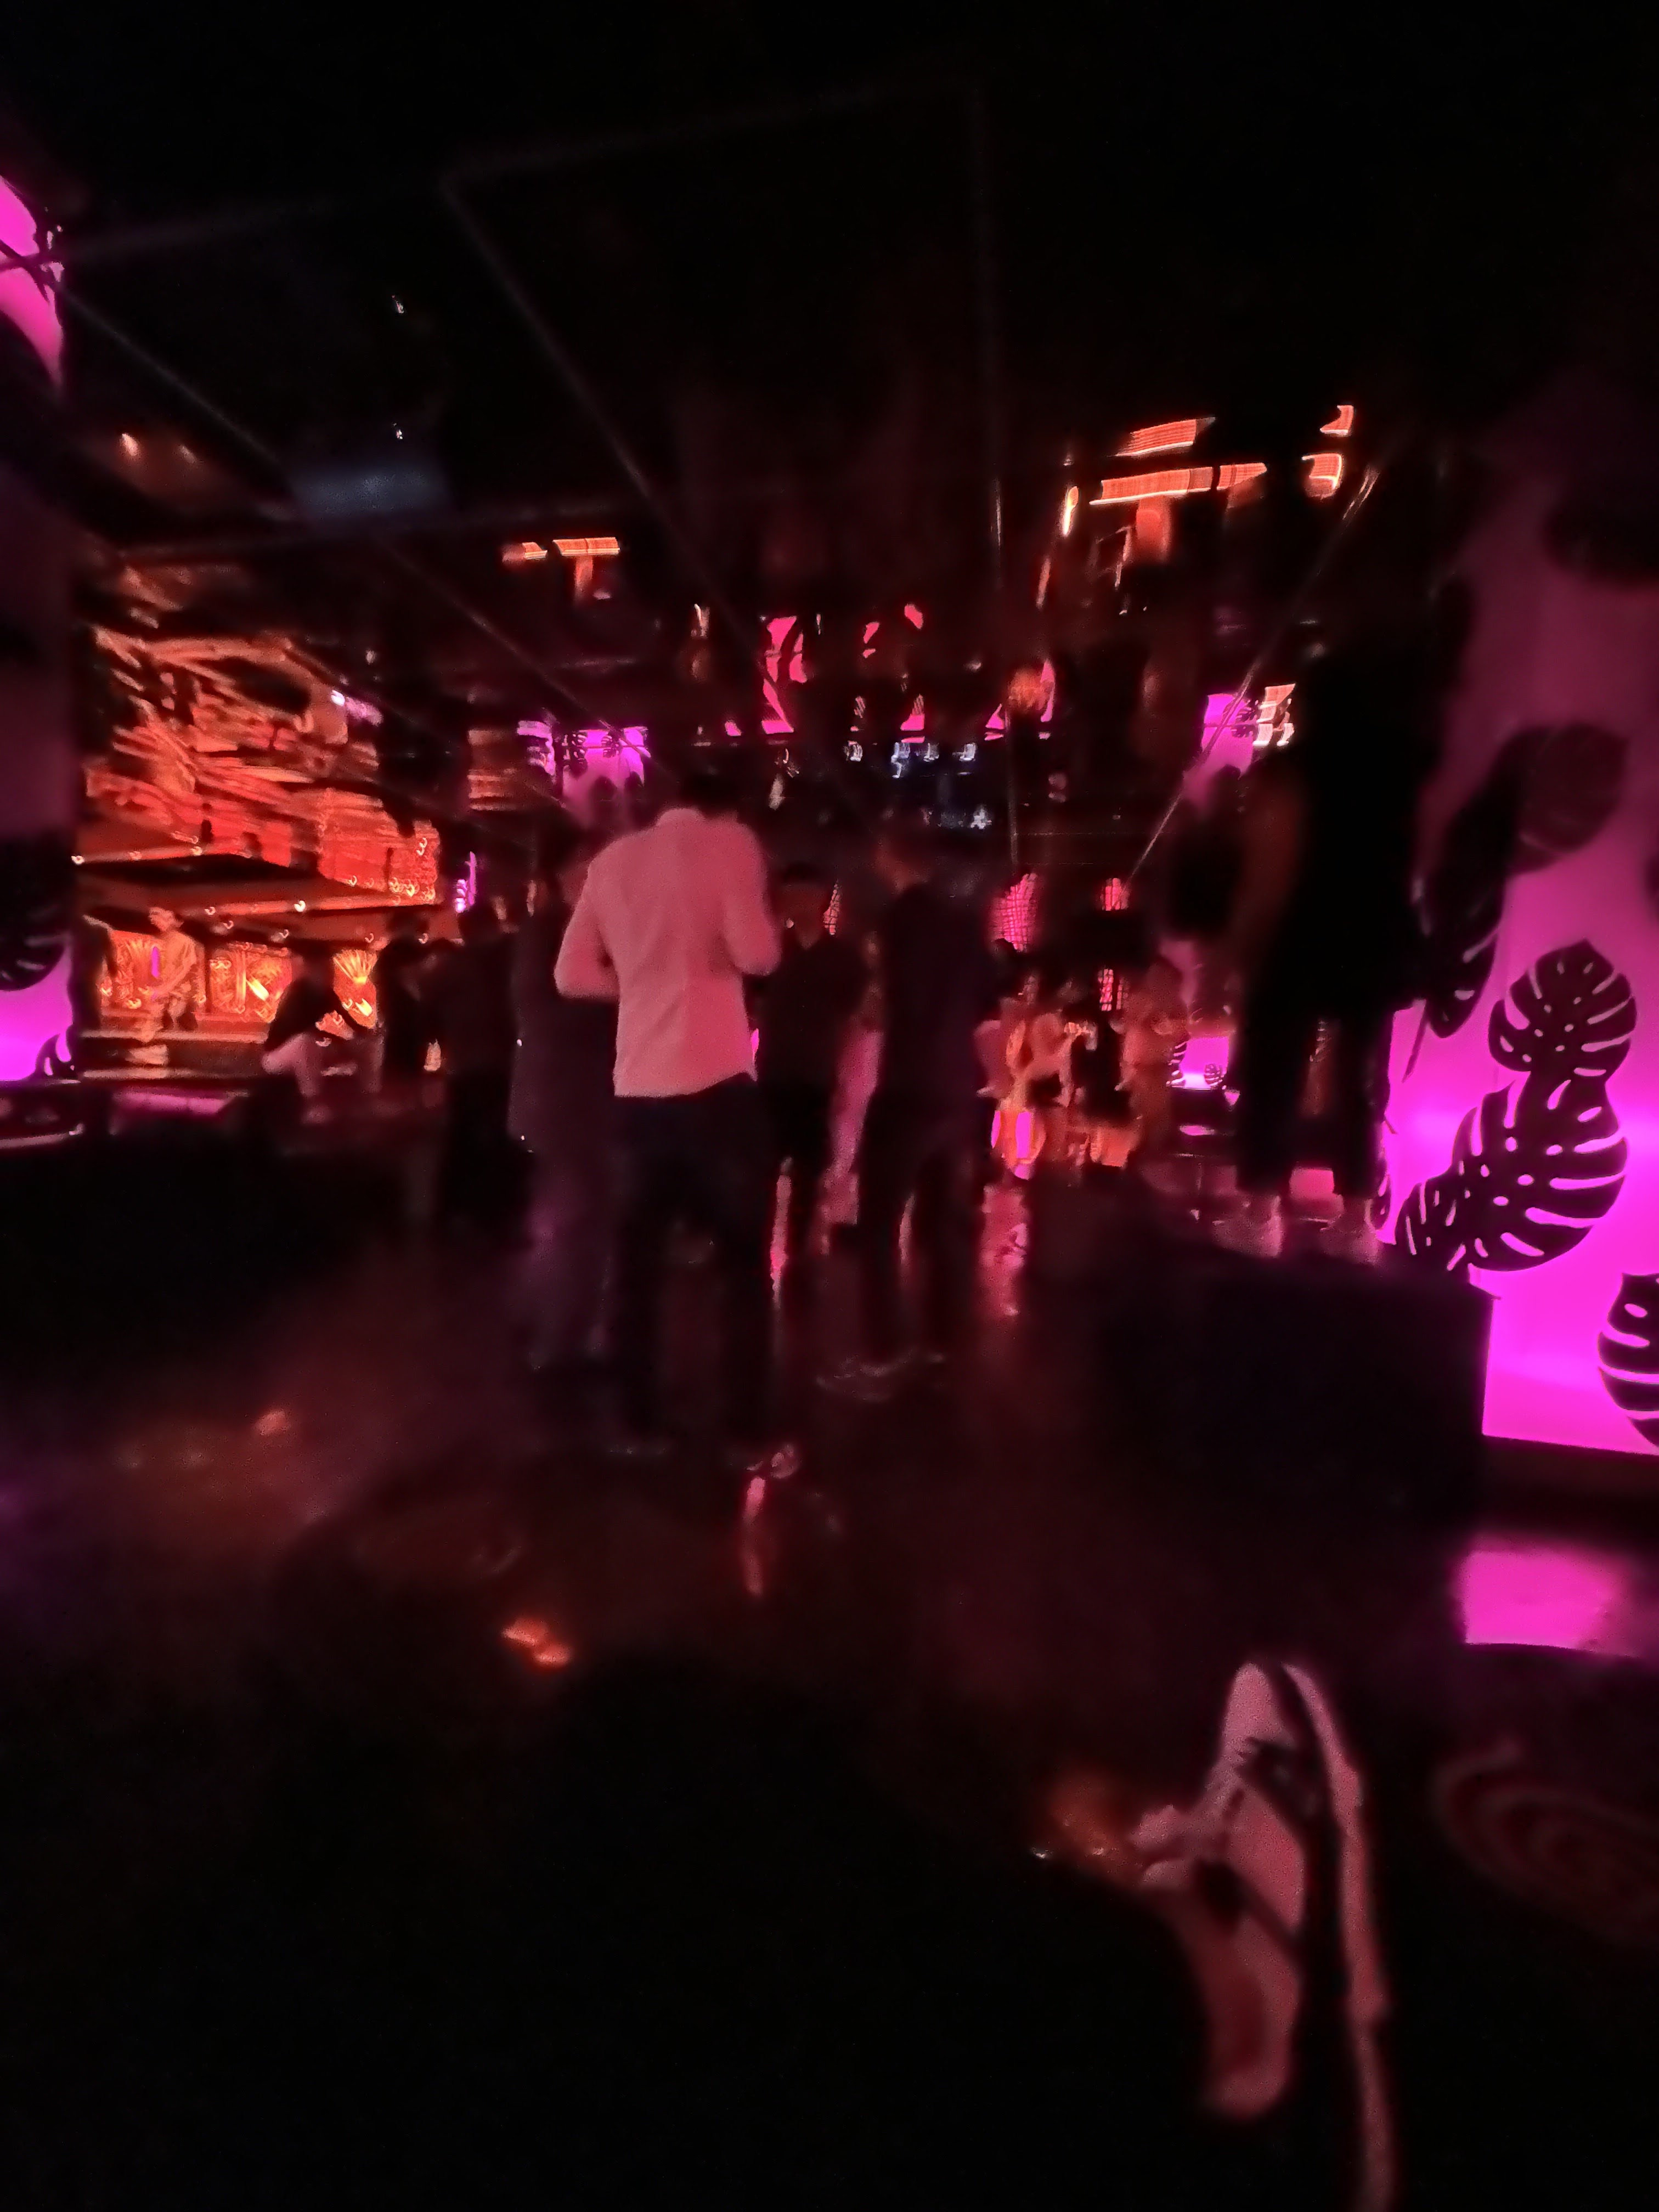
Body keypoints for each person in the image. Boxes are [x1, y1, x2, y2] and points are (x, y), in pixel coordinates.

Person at [555, 760, 789, 1470]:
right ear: (727, 809)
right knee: (741, 1268)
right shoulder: (732, 843)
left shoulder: (613, 862)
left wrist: (639, 985)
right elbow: (758, 954)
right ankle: (746, 1432)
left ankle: (636, 1420)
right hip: (717, 1089)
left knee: (637, 1269)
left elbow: (571, 975)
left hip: (639, 1095)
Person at [1216, 630, 1433, 1262]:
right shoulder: (1402, 771)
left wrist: (1243, 943)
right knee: (1359, 1076)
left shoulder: (1294, 769)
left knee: (1276, 1067)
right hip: (1374, 933)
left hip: (1301, 929)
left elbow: (1271, 863)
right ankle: (1357, 1221)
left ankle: (1261, 1212)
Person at [823, 815, 1002, 1402]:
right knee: (942, 1222)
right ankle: (942, 1341)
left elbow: (889, 1002)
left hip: (907, 1087)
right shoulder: (964, 921)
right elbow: (985, 1009)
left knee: (878, 1224)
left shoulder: (900, 919)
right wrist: (993, 1075)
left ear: (889, 855)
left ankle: (883, 1352)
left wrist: (865, 1015)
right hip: (955, 1092)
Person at [512, 830, 617, 1381]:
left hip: (579, 1098)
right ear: (557, 876)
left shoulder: (582, 928)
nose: (597, 875)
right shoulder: (549, 930)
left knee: (580, 1218)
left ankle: (568, 1332)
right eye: (585, 865)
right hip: (567, 1098)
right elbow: (546, 1014)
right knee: (576, 1220)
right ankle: (559, 1343)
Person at [754, 862, 866, 1265]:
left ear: (823, 899)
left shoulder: (844, 959)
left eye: (806, 894)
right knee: (762, 1174)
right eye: (790, 895)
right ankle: (759, 1256)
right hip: (771, 1075)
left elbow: (856, 1022)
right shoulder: (769, 953)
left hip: (818, 1077)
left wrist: (847, 1078)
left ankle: (800, 1256)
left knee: (808, 1174)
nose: (797, 903)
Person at [424, 900, 518, 1228]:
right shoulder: (504, 962)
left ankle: (449, 1214)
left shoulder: (448, 969)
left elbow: (427, 1011)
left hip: (462, 1065)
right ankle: (495, 1215)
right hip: (498, 1064)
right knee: (497, 1138)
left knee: (460, 1139)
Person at [261, 944, 373, 1119]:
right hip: (277, 1056)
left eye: (331, 971)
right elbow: (301, 1031)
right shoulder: (297, 993)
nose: (330, 976)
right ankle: (313, 1104)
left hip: (311, 1050)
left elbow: (353, 1025)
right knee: (304, 1043)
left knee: (362, 1046)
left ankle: (368, 1095)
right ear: (311, 971)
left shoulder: (328, 994)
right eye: (324, 970)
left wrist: (368, 1037)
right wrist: (335, 1041)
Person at [371, 909, 433, 1096]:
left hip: (396, 1018)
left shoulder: (390, 953)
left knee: (396, 1065)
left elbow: (378, 979)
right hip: (411, 1018)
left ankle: (396, 1101)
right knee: (411, 1065)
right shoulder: (410, 951)